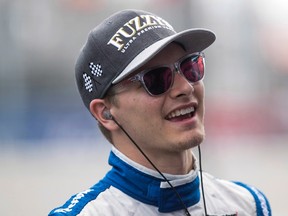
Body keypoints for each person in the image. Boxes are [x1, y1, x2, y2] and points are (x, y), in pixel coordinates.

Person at [49, 9, 271, 216]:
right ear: (105, 112)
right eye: (155, 79)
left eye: (190, 67)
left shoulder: (249, 205)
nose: (185, 87)